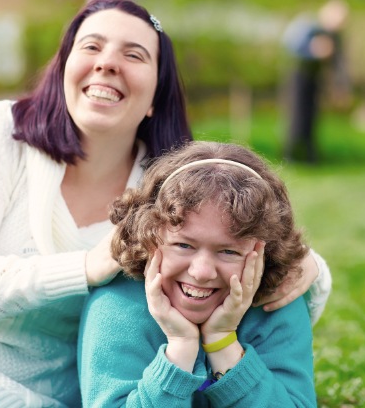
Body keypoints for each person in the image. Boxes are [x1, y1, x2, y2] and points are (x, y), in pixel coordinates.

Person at [0, 0, 329, 408]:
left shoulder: (167, 192)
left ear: (155, 97)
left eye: (134, 54)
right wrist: (87, 266)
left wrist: (309, 265)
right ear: (65, 69)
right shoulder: (2, 130)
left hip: (8, 384)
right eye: (92, 47)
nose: (107, 63)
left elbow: (235, 240)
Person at [79, 141, 325, 407]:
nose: (202, 272)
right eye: (183, 245)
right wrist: (180, 349)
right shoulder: (117, 305)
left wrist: (223, 343)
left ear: (264, 253)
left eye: (229, 251)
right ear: (150, 237)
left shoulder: (275, 302)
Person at [282, 0, 351, 163]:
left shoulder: (334, 35)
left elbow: (338, 62)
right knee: (297, 116)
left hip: (316, 78)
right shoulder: (307, 25)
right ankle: (290, 155)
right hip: (299, 76)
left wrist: (340, 87)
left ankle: (310, 157)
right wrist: (313, 51)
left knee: (312, 119)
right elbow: (290, 46)